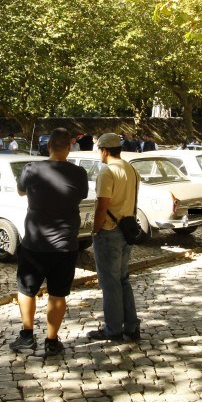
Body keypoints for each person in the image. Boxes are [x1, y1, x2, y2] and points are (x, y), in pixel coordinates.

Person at [9, 128, 88, 357]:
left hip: (35, 243)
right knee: (58, 294)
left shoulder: (31, 168)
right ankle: (52, 341)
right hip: (65, 245)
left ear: (49, 146)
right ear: (69, 147)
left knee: (26, 290)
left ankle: (26, 336)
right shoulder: (78, 173)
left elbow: (21, 191)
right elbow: (80, 195)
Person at [87, 132, 140, 341]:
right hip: (127, 229)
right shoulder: (131, 169)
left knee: (110, 283)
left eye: (99, 150)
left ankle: (113, 329)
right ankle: (131, 326)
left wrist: (95, 229)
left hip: (109, 231)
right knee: (123, 279)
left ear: (105, 150)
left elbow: (102, 205)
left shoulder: (107, 172)